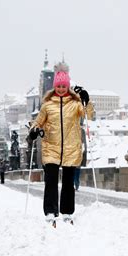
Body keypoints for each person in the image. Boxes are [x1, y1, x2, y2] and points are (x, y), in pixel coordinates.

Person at [30, 70, 93, 226]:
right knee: (50, 181)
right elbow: (37, 122)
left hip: (71, 148)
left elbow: (88, 114)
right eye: (59, 86)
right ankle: (50, 211)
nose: (61, 89)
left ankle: (67, 212)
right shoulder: (47, 105)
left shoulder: (75, 104)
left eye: (64, 86)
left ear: (68, 87)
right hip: (51, 148)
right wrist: (34, 131)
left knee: (67, 183)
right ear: (54, 87)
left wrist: (86, 100)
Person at [73, 119, 87, 191]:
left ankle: (75, 184)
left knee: (75, 171)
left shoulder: (82, 131)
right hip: (74, 154)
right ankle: (75, 184)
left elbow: (84, 144)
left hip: (77, 154)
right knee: (75, 171)